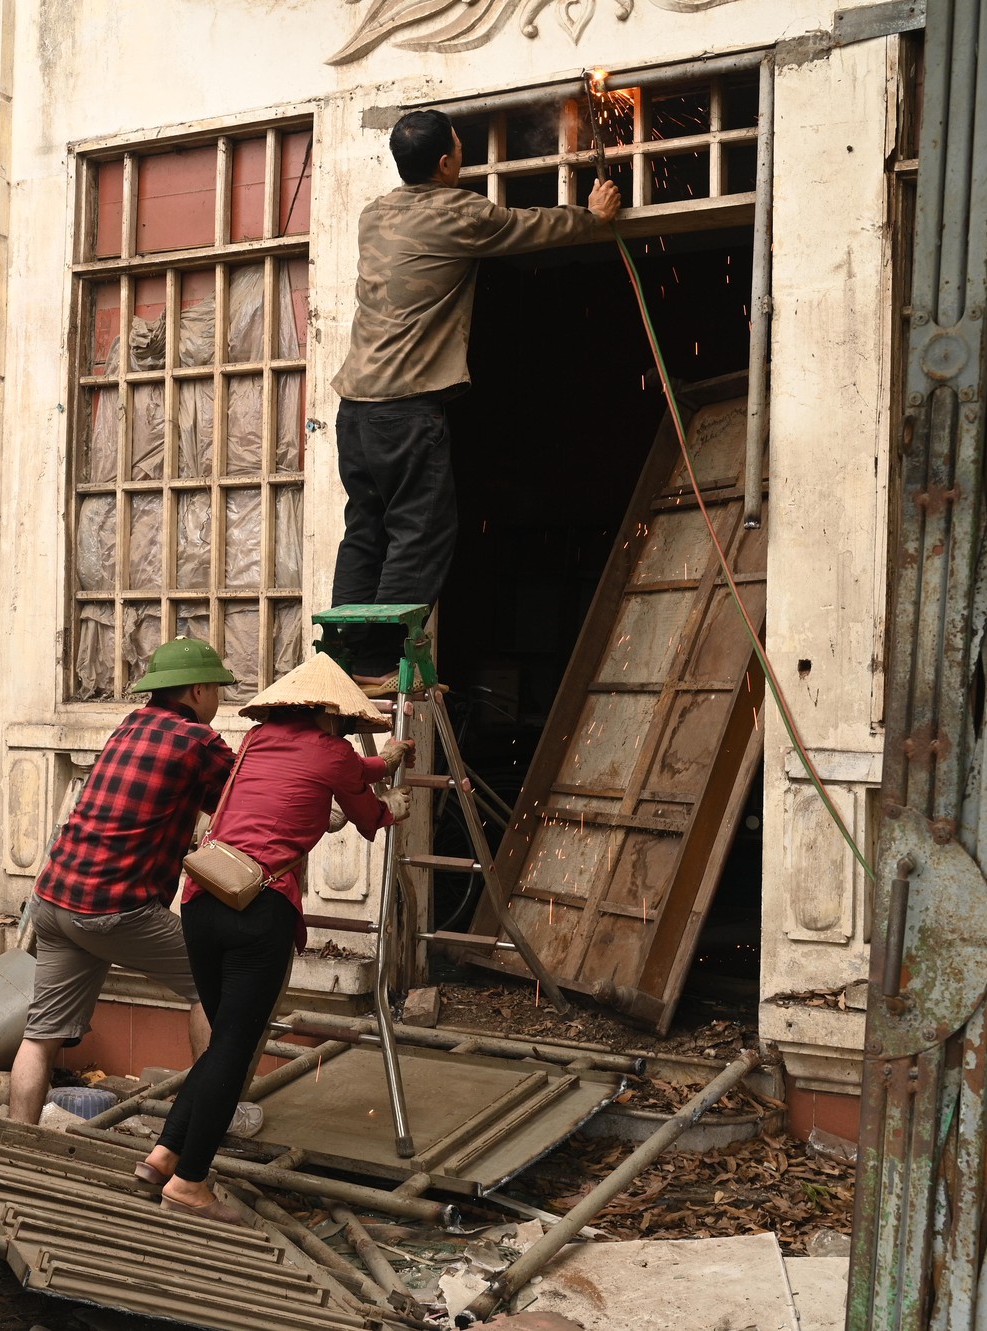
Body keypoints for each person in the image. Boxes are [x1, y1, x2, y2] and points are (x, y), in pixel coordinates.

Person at [331, 108, 623, 689]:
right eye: (460, 150)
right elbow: (529, 227)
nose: (465, 156)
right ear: (445, 163)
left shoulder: (374, 214)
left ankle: (341, 657)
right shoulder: (460, 213)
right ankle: (379, 664)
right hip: (406, 410)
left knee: (366, 530)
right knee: (420, 533)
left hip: (355, 412)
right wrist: (592, 217)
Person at [132, 653, 412, 1222]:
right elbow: (365, 813)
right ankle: (189, 1183)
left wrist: (382, 762)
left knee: (224, 1045)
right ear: (332, 715)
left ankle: (163, 1155)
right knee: (234, 1052)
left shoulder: (257, 739)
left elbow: (336, 770)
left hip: (203, 895)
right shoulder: (332, 751)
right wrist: (392, 807)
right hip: (258, 910)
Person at [8, 638, 239, 1124]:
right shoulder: (198, 740)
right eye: (217, 690)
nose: (218, 701)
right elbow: (249, 795)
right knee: (215, 983)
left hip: (53, 901)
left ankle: (17, 1136)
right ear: (198, 690)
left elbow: (199, 799)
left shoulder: (131, 725)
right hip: (111, 909)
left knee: (40, 1036)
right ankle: (207, 1120)